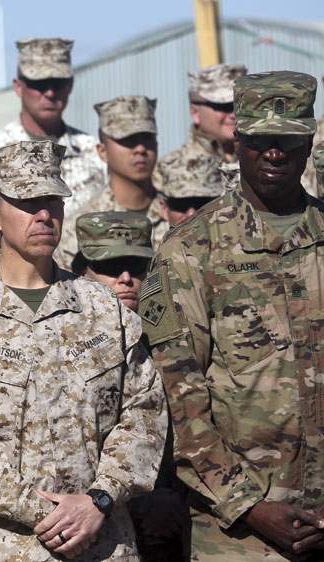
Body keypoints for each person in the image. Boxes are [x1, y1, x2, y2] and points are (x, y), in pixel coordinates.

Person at [0, 140, 167, 562]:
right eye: (28, 203)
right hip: (2, 549)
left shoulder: (103, 308)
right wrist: (47, 513)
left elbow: (145, 410)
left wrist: (100, 499)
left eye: (53, 201)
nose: (45, 215)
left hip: (103, 544)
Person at [139, 70, 324, 560]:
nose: (274, 152)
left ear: (309, 142)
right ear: (237, 141)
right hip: (237, 536)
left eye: (288, 139)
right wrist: (249, 506)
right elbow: (177, 398)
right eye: (260, 139)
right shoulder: (190, 251)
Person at [72, 212, 186, 562]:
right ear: (82, 272)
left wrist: (177, 499)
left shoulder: (175, 334)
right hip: (100, 526)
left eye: (136, 267)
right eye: (110, 267)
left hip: (182, 517)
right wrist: (145, 503)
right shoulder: (65, 343)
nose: (125, 279)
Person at [0, 37, 106, 263]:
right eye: (39, 84)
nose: (50, 93)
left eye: (58, 83)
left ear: (70, 85)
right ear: (18, 86)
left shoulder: (95, 152)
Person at [56, 95, 162, 268]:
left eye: (147, 138)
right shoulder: (76, 231)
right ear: (102, 151)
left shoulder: (181, 211)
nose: (141, 149)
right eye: (128, 140)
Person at [155, 63, 246, 193]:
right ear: (195, 113)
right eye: (224, 106)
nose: (234, 114)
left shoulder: (265, 159)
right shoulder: (169, 167)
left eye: (241, 105)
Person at [154, 152, 223, 237]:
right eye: (181, 204)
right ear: (164, 208)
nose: (191, 214)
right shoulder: (151, 242)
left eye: (202, 203)